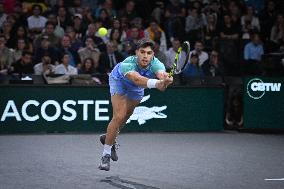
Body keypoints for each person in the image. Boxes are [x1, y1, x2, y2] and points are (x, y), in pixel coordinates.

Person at [98, 38, 173, 171]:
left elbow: (161, 78)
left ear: (153, 55)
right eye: (142, 52)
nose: (145, 56)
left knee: (127, 115)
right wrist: (157, 83)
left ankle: (110, 137)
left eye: (149, 53)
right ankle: (106, 155)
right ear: (136, 53)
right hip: (119, 82)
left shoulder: (157, 64)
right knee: (119, 116)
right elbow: (137, 79)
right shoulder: (127, 63)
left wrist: (165, 79)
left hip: (137, 87)